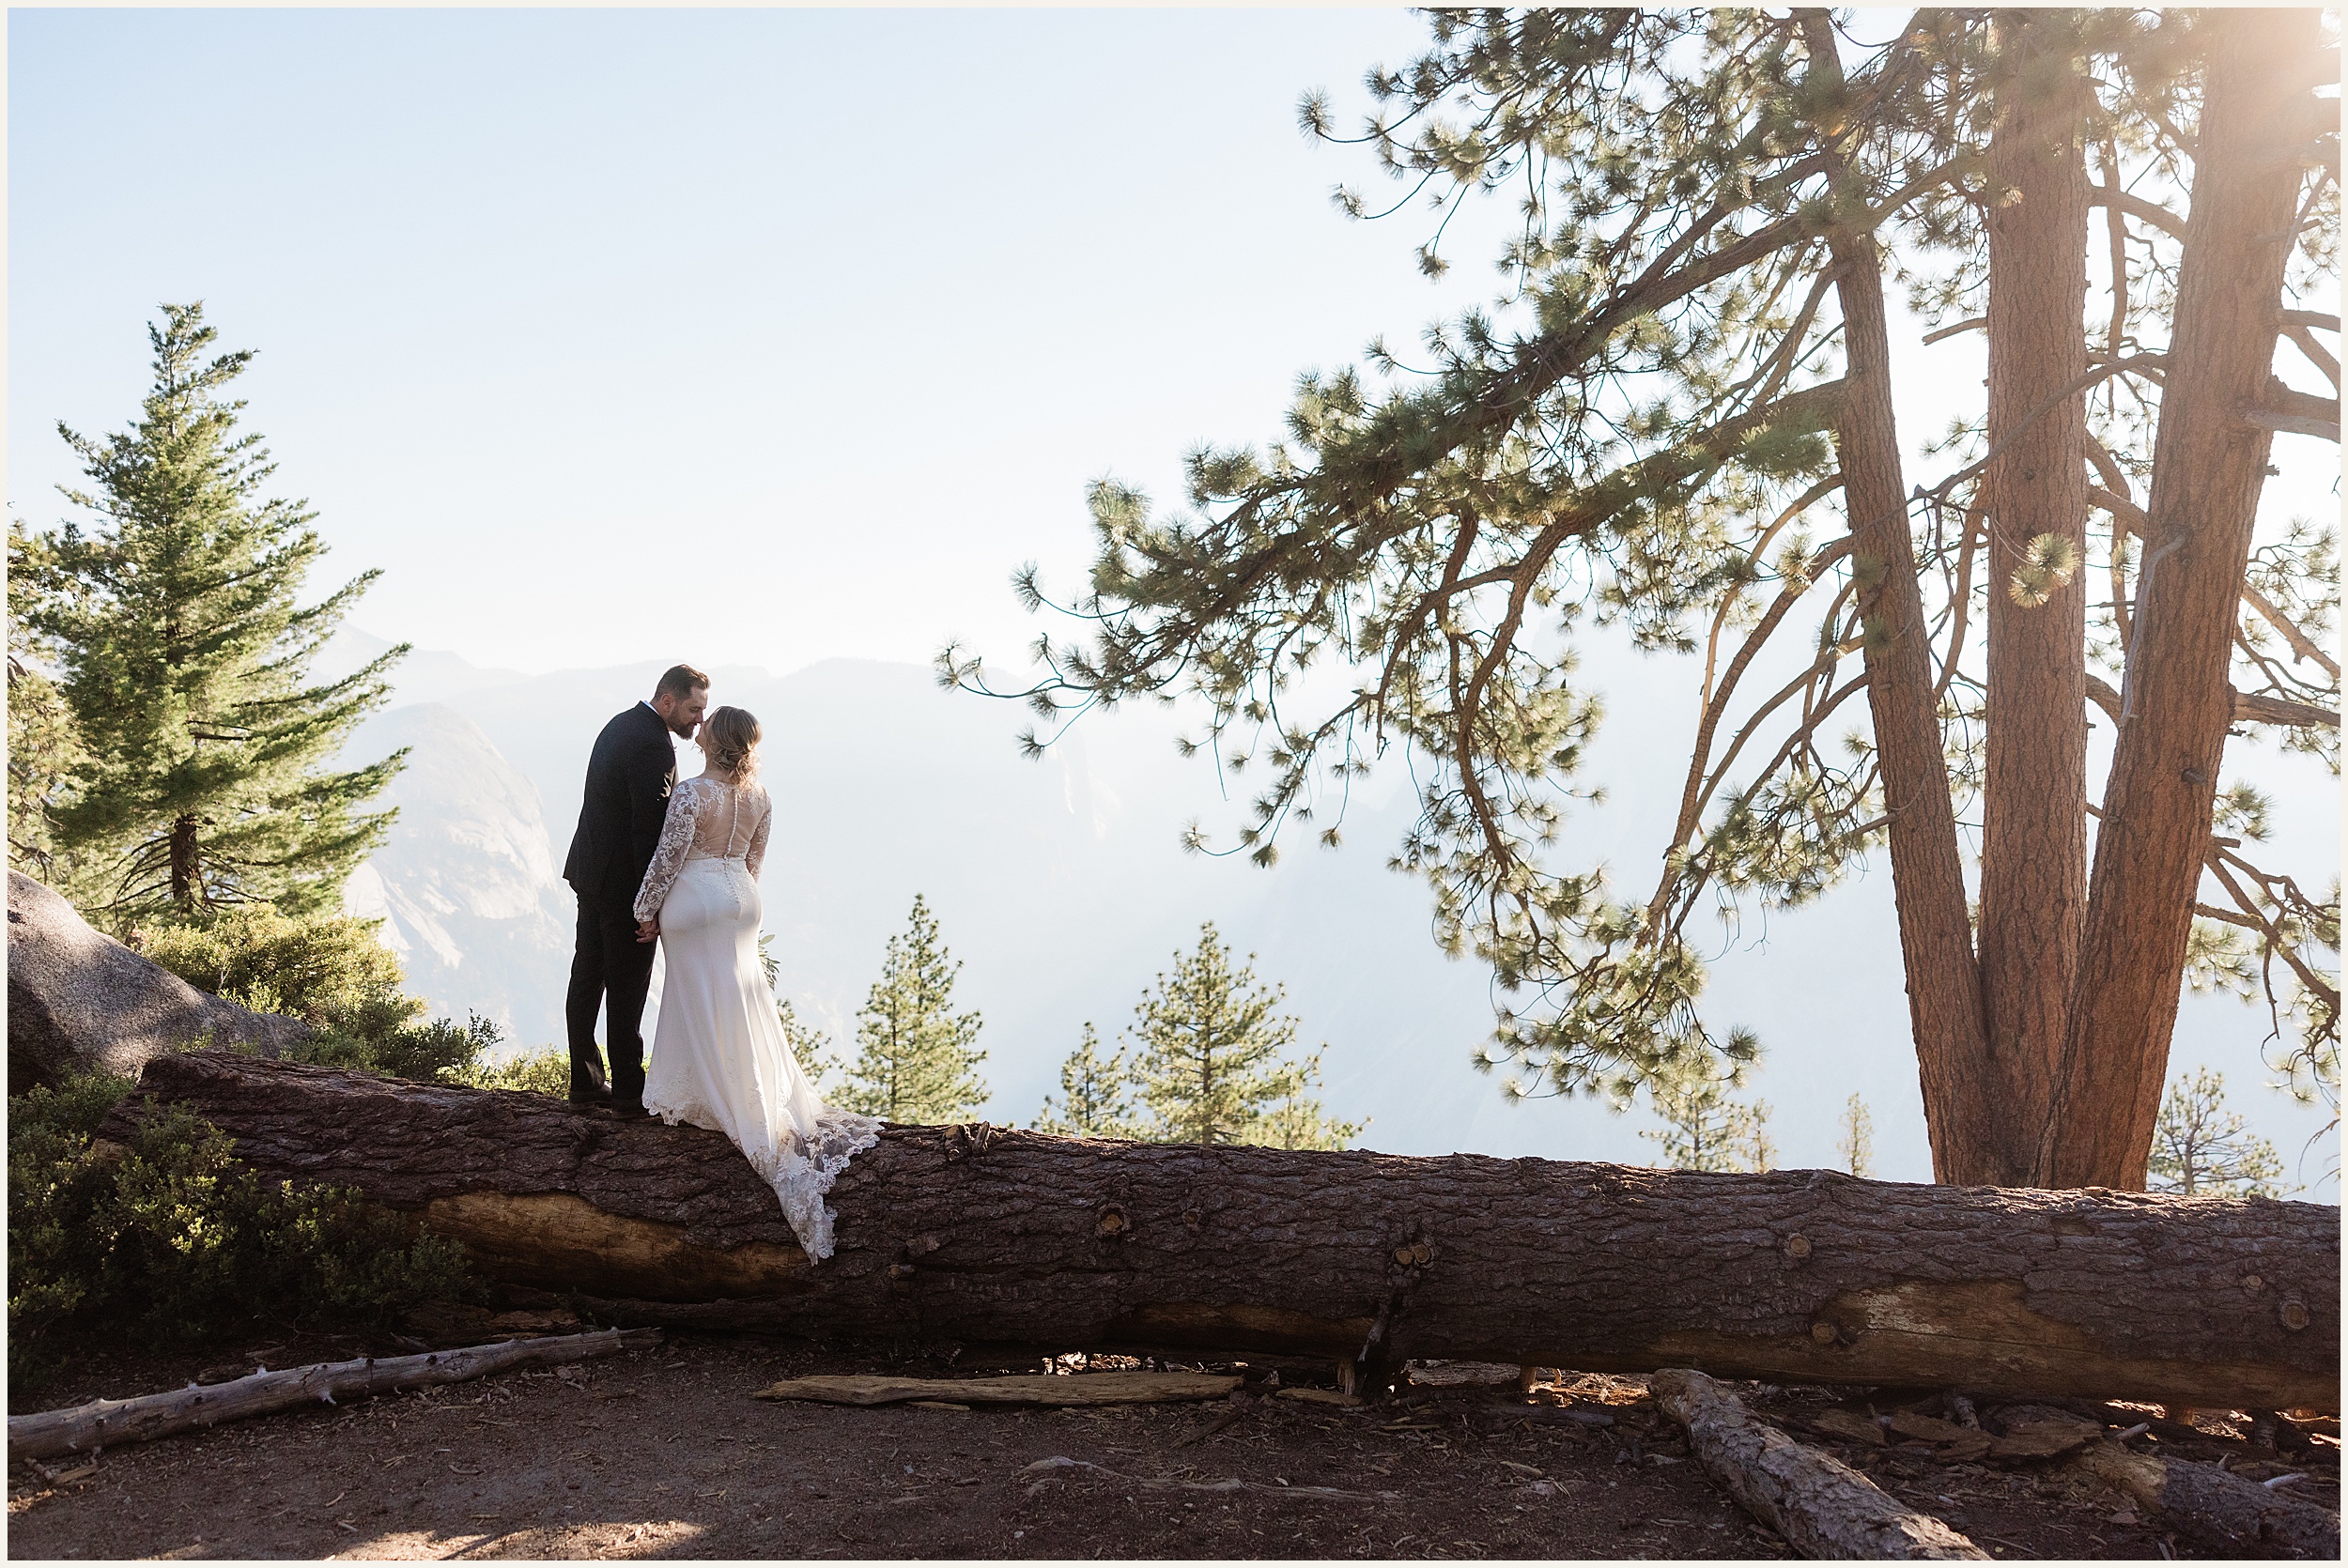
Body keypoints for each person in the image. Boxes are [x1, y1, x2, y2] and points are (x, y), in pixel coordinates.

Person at [631, 704, 879, 1259]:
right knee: (740, 998)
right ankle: (748, 1087)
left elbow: (668, 859)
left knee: (698, 997)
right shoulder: (761, 798)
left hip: (694, 901)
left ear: (713, 741)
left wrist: (645, 910)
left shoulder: (693, 793)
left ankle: (710, 1095)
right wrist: (737, 900)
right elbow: (754, 863)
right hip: (743, 900)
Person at [562, 664, 709, 1114]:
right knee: (627, 989)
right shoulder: (653, 746)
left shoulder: (620, 723)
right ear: (668, 701)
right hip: (624, 886)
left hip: (592, 874)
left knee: (587, 977)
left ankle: (585, 1083)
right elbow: (650, 834)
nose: (698, 720)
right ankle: (628, 1092)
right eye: (693, 709)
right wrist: (651, 906)